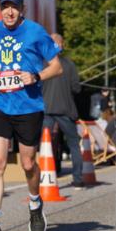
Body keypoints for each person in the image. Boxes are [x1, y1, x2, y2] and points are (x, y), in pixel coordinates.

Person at [0, 0, 63, 231]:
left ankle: (35, 204)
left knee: (27, 164)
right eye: (5, 7)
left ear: (22, 9)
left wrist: (36, 76)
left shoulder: (36, 32)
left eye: (14, 7)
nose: (9, 11)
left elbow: (56, 67)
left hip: (28, 107)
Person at [42, 33, 84, 188]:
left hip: (46, 110)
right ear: (62, 45)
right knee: (73, 144)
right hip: (66, 110)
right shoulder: (69, 64)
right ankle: (78, 179)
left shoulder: (42, 64)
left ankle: (46, 179)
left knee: (45, 145)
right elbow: (76, 89)